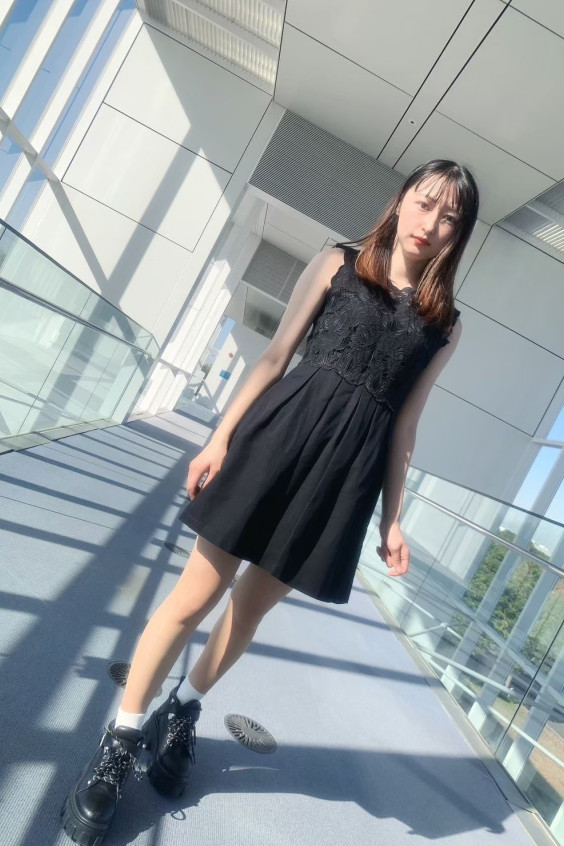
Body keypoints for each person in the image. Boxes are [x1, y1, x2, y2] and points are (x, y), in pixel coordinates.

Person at [61, 158, 479, 844]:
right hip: (275, 441)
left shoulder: (445, 323)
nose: (431, 224)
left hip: (341, 480)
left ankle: (182, 709)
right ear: (402, 199)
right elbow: (276, 355)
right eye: (425, 203)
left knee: (249, 610)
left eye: (450, 218)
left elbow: (406, 423)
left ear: (458, 235)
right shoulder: (339, 263)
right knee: (194, 596)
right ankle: (122, 737)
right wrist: (219, 439)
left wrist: (394, 519)